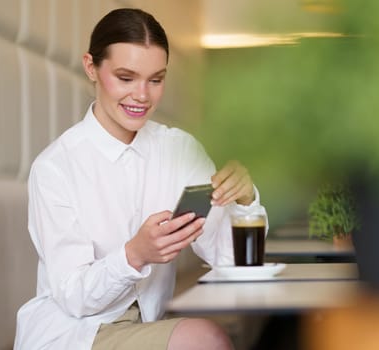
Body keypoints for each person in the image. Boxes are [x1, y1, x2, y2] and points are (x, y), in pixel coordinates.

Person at [14, 8, 267, 350]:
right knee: (207, 339)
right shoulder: (55, 168)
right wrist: (135, 254)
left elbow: (229, 259)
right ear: (91, 67)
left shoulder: (179, 150)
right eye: (125, 77)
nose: (142, 96)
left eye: (156, 79)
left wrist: (246, 198)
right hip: (75, 333)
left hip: (147, 326)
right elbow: (74, 298)